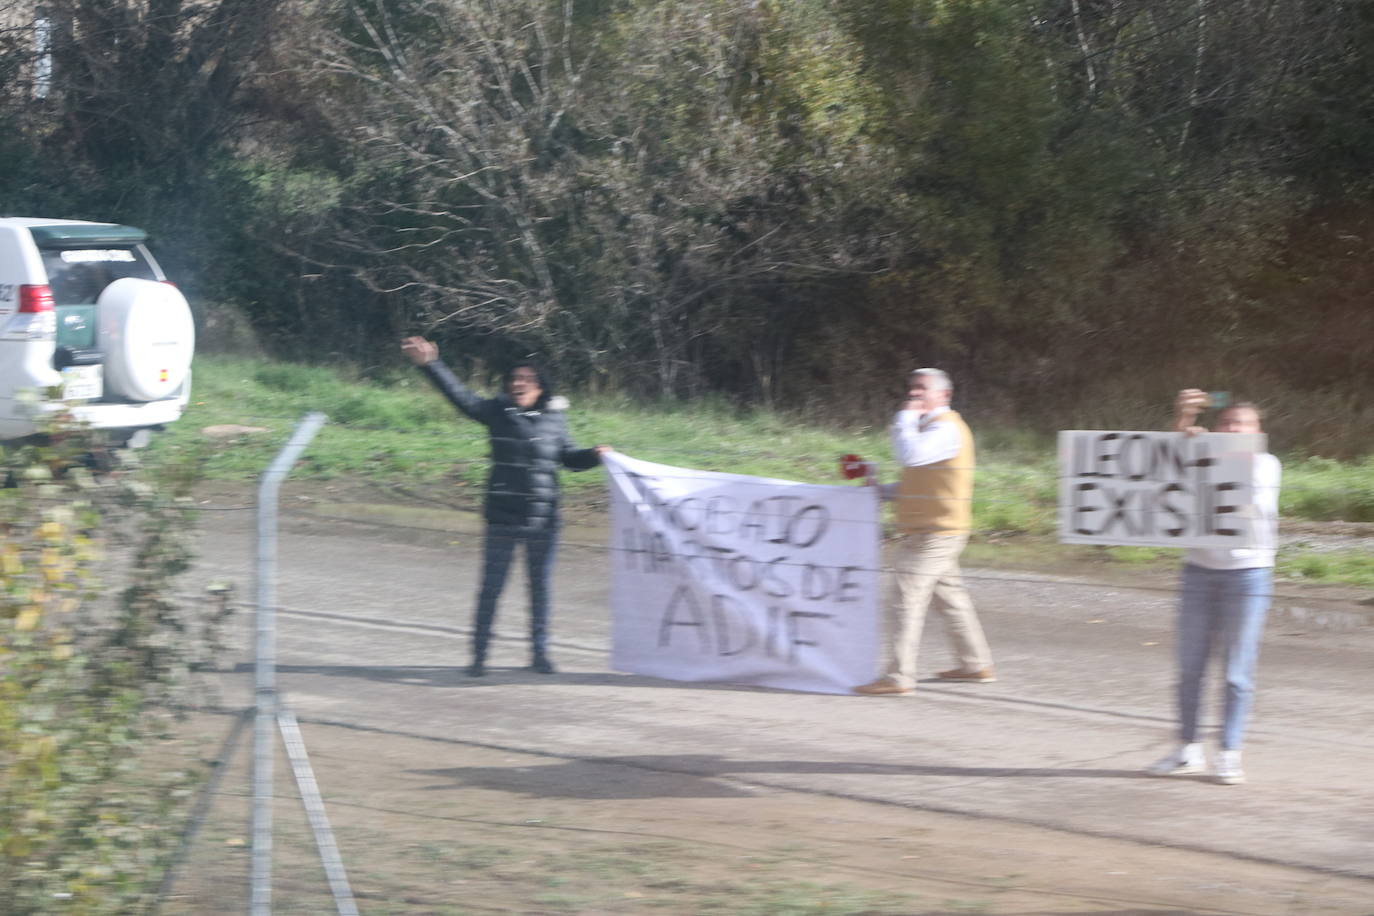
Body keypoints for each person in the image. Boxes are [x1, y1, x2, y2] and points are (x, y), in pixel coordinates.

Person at [400, 336, 612, 676]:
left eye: (526, 380)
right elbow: (460, 397)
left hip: (544, 520)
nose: (518, 384)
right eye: (514, 379)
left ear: (540, 387)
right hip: (502, 517)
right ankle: (479, 657)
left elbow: (567, 459)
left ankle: (539, 655)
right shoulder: (496, 412)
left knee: (539, 589)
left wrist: (594, 456)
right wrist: (431, 365)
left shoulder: (555, 420)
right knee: (491, 589)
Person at [1146, 390, 1280, 785]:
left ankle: (1228, 753)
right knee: (1190, 668)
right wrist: (1183, 420)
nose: (1234, 428)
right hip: (1198, 572)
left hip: (1248, 575)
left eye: (1243, 423)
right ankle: (1188, 749)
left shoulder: (1266, 464)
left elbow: (1228, 479)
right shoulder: (1201, 454)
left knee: (1237, 672)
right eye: (1227, 422)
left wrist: (1198, 442)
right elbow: (1168, 463)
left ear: (1258, 432)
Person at [854, 368, 995, 696]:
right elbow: (918, 482)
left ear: (944, 396)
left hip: (935, 533)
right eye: (912, 388)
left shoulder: (944, 430)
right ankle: (975, 664)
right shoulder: (933, 430)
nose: (914, 394)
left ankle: (898, 677)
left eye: (922, 389)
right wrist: (881, 491)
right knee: (951, 600)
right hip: (937, 530)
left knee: (905, 597)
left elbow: (911, 455)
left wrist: (904, 417)